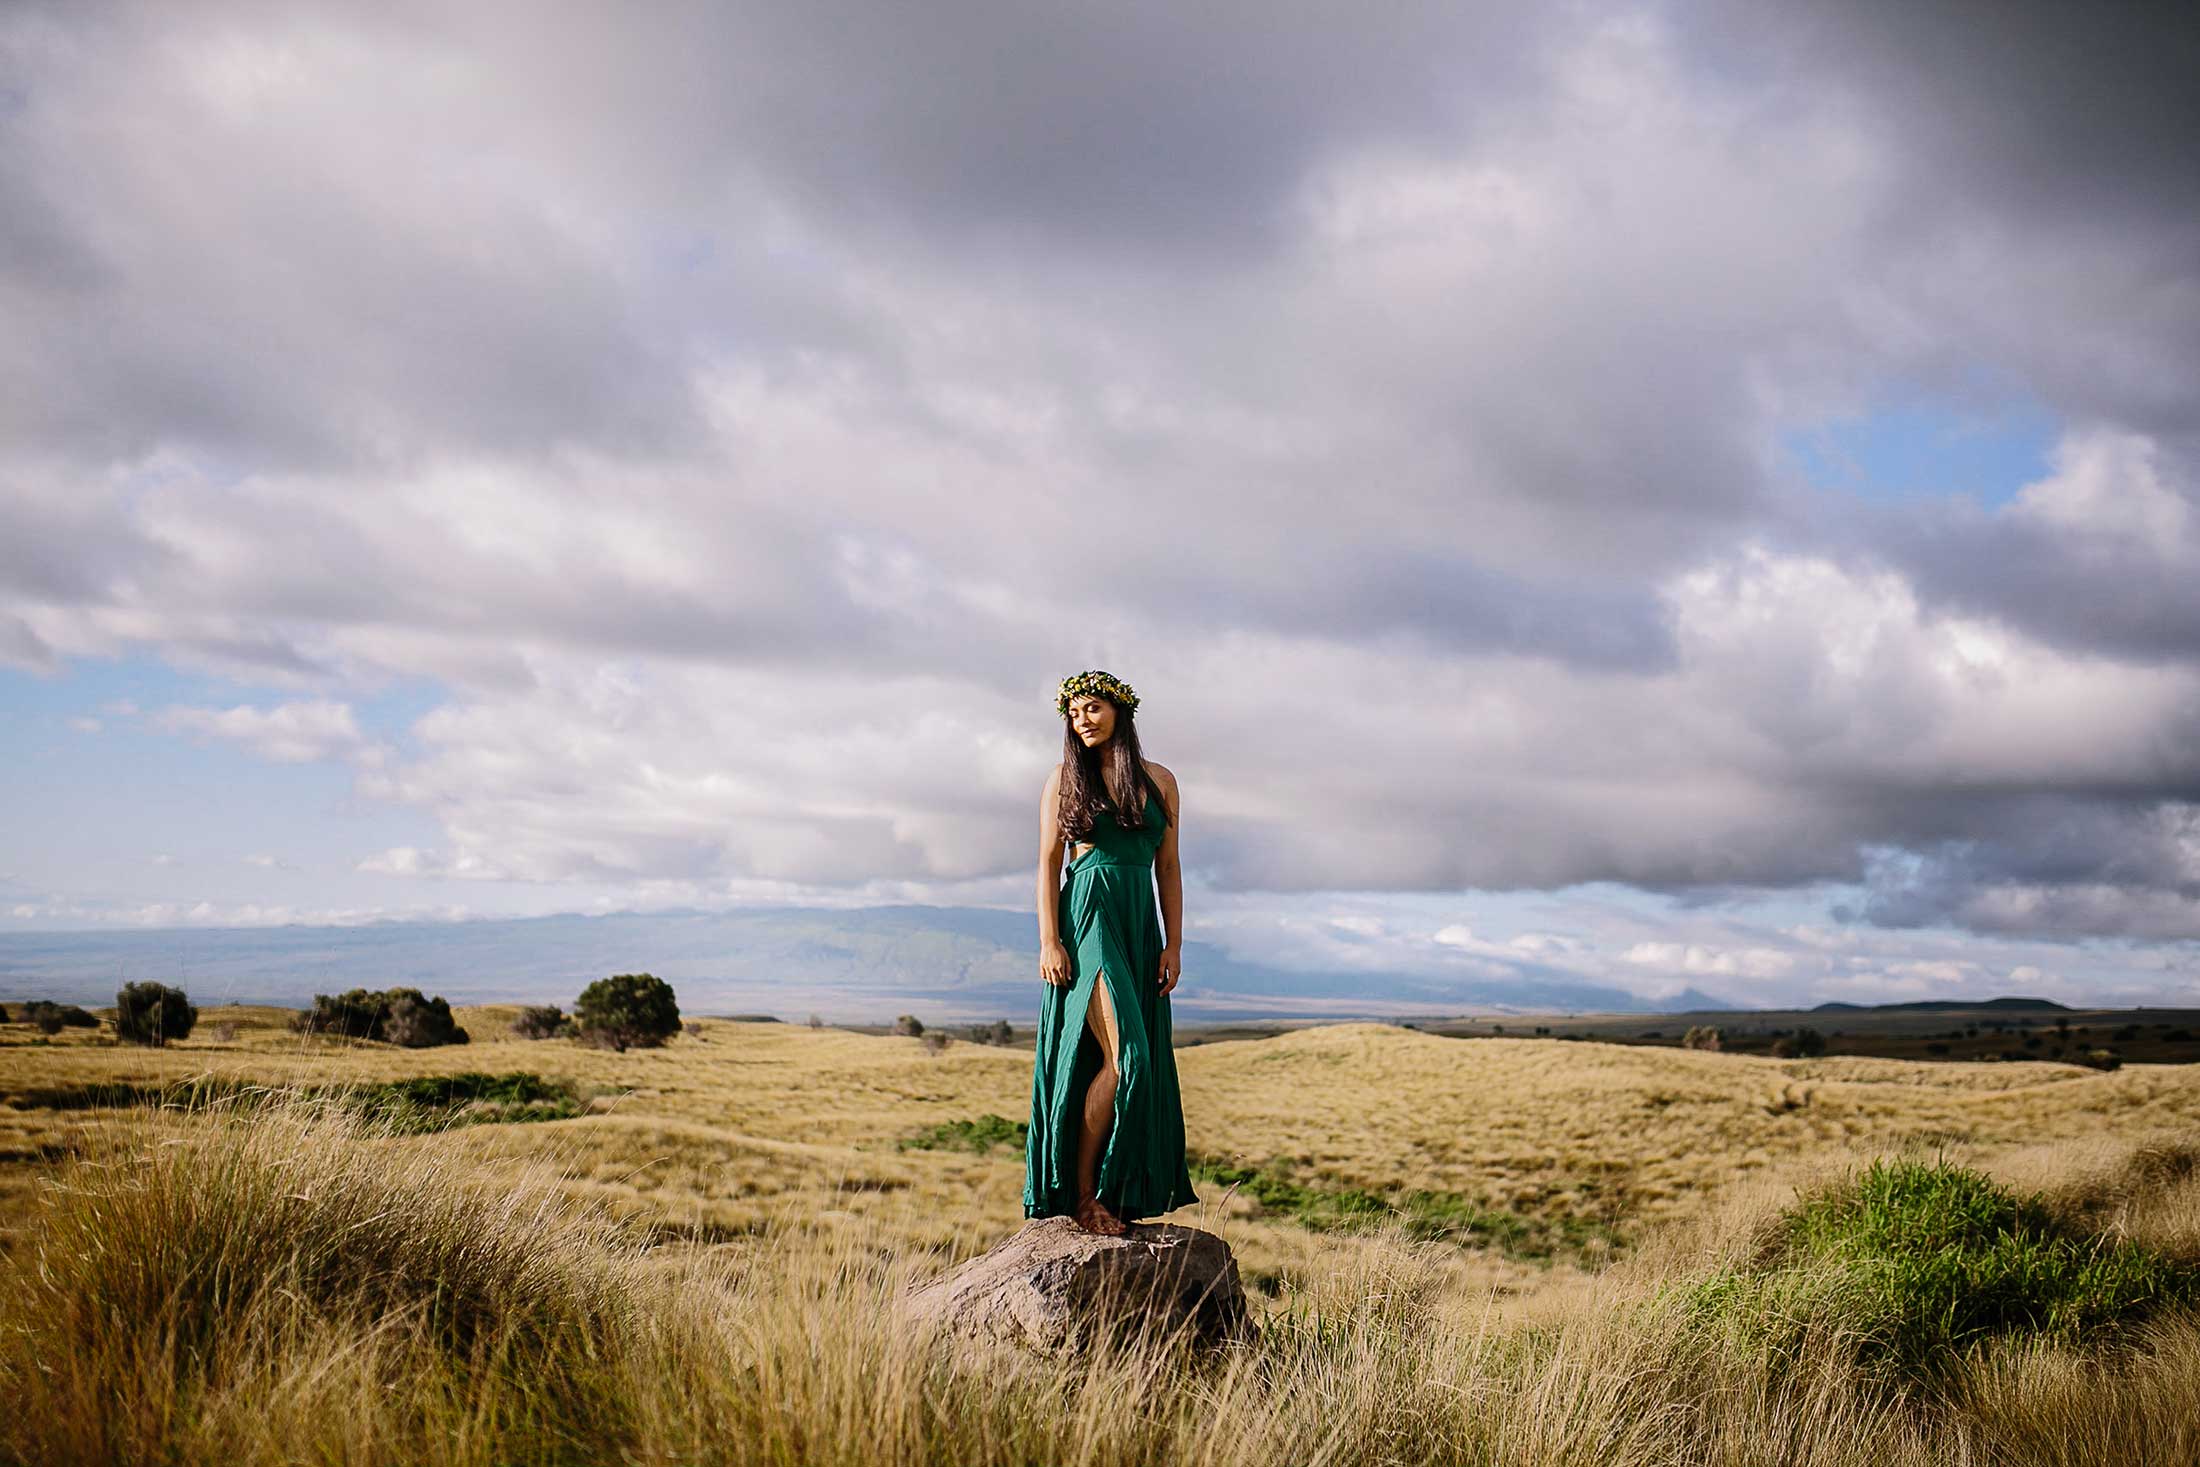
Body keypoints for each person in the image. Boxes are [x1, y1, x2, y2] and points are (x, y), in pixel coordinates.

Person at [1023, 669, 1198, 1235]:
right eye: (1073, 713)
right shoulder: (1061, 780)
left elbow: (1167, 867)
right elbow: (1050, 864)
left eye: (1092, 708)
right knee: (1130, 1060)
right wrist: (1050, 940)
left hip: (1138, 920)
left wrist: (1173, 941)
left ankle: (1115, 1191)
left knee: (1125, 1062)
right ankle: (1081, 1196)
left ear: (1121, 712)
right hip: (1089, 917)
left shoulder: (1161, 781)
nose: (1083, 720)